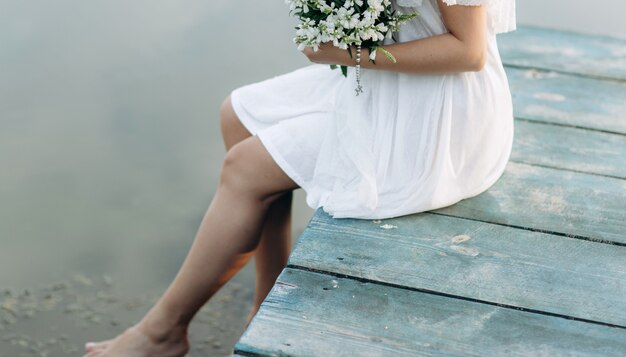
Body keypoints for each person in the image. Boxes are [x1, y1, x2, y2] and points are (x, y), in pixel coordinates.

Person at [83, 0, 516, 355]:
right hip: (388, 84)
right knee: (238, 113)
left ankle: (161, 333)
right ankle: (266, 300)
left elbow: (469, 52)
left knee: (245, 167)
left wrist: (346, 53)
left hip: (439, 116)